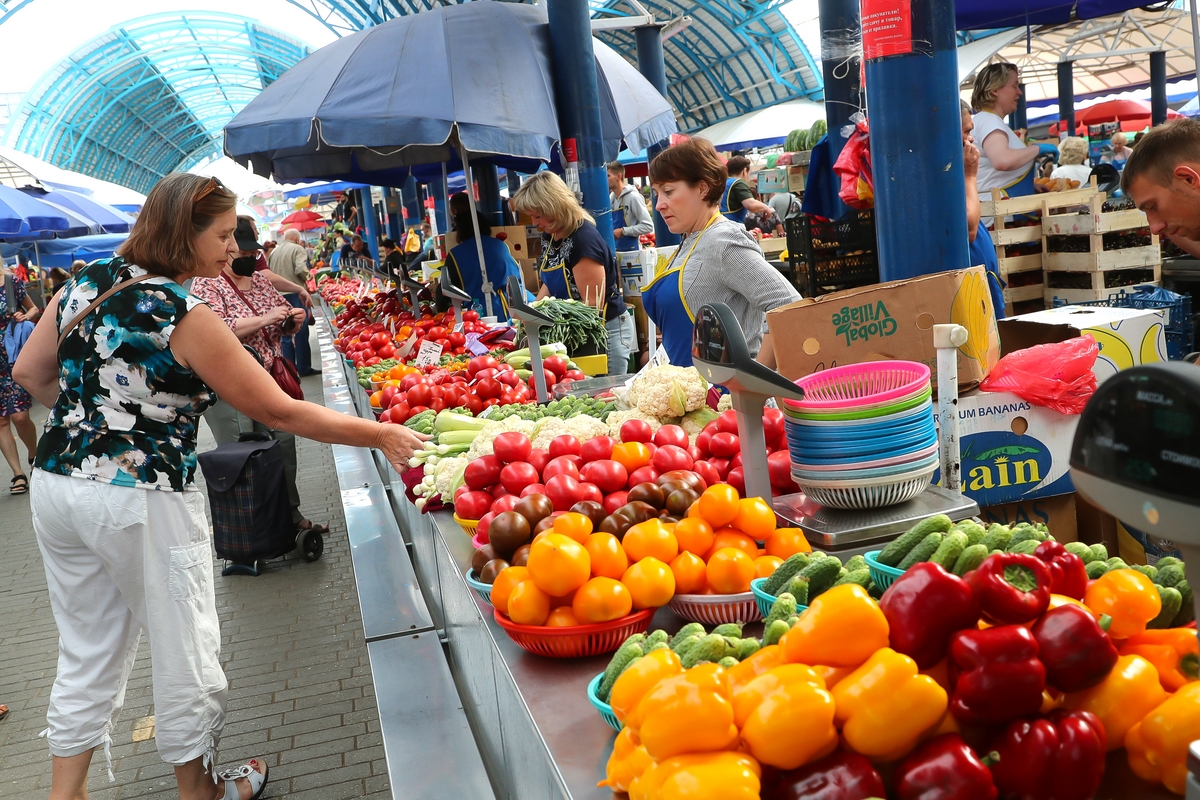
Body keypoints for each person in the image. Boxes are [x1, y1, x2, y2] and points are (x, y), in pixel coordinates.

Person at [12, 173, 426, 800]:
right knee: (185, 645)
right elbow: (280, 410)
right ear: (184, 233)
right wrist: (380, 435)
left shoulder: (85, 282)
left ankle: (63, 796)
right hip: (144, 496)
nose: (233, 249)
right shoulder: (183, 311)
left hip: (58, 485)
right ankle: (197, 789)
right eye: (224, 235)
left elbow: (29, 372)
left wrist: (96, 422)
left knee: (86, 648)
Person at [191, 218, 327, 537]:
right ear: (228, 250)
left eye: (255, 253)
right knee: (242, 455)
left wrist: (293, 320)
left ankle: (291, 519)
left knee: (283, 446)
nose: (252, 259)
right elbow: (214, 330)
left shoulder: (262, 281)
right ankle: (252, 534)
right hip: (230, 387)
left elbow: (281, 318)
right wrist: (264, 318)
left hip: (268, 380)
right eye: (246, 253)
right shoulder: (208, 284)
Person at [645, 137, 801, 367]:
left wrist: (755, 383)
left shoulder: (723, 241)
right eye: (657, 194)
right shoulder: (689, 240)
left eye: (668, 191)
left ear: (702, 188)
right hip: (690, 397)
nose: (659, 205)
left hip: (726, 399)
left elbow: (789, 306)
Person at [510, 171, 637, 375]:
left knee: (606, 395)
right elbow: (550, 283)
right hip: (576, 333)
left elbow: (591, 306)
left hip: (604, 331)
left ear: (554, 206)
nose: (534, 223)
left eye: (537, 215)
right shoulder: (550, 236)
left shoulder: (583, 240)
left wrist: (547, 322)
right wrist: (530, 313)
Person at [962, 101, 1008, 319]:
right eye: (966, 131)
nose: (970, 138)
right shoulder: (959, 172)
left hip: (981, 282)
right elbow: (970, 230)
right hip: (972, 290)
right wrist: (970, 173)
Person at [972, 62, 1042, 204]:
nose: (1019, 92)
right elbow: (1002, 161)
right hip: (998, 216)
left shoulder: (985, 120)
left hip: (996, 210)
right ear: (995, 90)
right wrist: (1037, 149)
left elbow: (992, 175)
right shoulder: (989, 121)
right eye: (1014, 86)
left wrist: (1028, 187)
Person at [0, 265, 39, 494]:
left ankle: (34, 456)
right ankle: (17, 474)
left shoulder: (9, 281)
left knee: (20, 416)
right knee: (1, 421)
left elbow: (33, 310)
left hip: (13, 357)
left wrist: (24, 315)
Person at [444, 210, 521, 316]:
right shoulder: (500, 245)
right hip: (518, 305)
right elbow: (517, 274)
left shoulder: (454, 254)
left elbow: (448, 289)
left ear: (460, 230)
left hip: (481, 312)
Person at [268, 229, 317, 377]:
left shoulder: (274, 252)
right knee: (300, 330)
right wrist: (308, 276)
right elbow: (300, 269)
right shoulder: (297, 249)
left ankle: (290, 369)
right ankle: (304, 367)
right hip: (295, 293)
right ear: (296, 239)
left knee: (284, 332)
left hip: (278, 295)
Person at [607, 162, 654, 252]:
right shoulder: (611, 198)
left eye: (608, 176)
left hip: (632, 253)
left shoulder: (633, 197)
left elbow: (648, 226)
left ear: (619, 176)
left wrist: (623, 231)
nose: (605, 179)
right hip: (615, 251)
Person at [720, 155, 772, 224]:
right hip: (732, 226)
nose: (748, 178)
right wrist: (766, 208)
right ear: (744, 171)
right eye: (749, 173)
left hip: (720, 225)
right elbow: (751, 204)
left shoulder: (723, 183)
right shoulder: (738, 182)